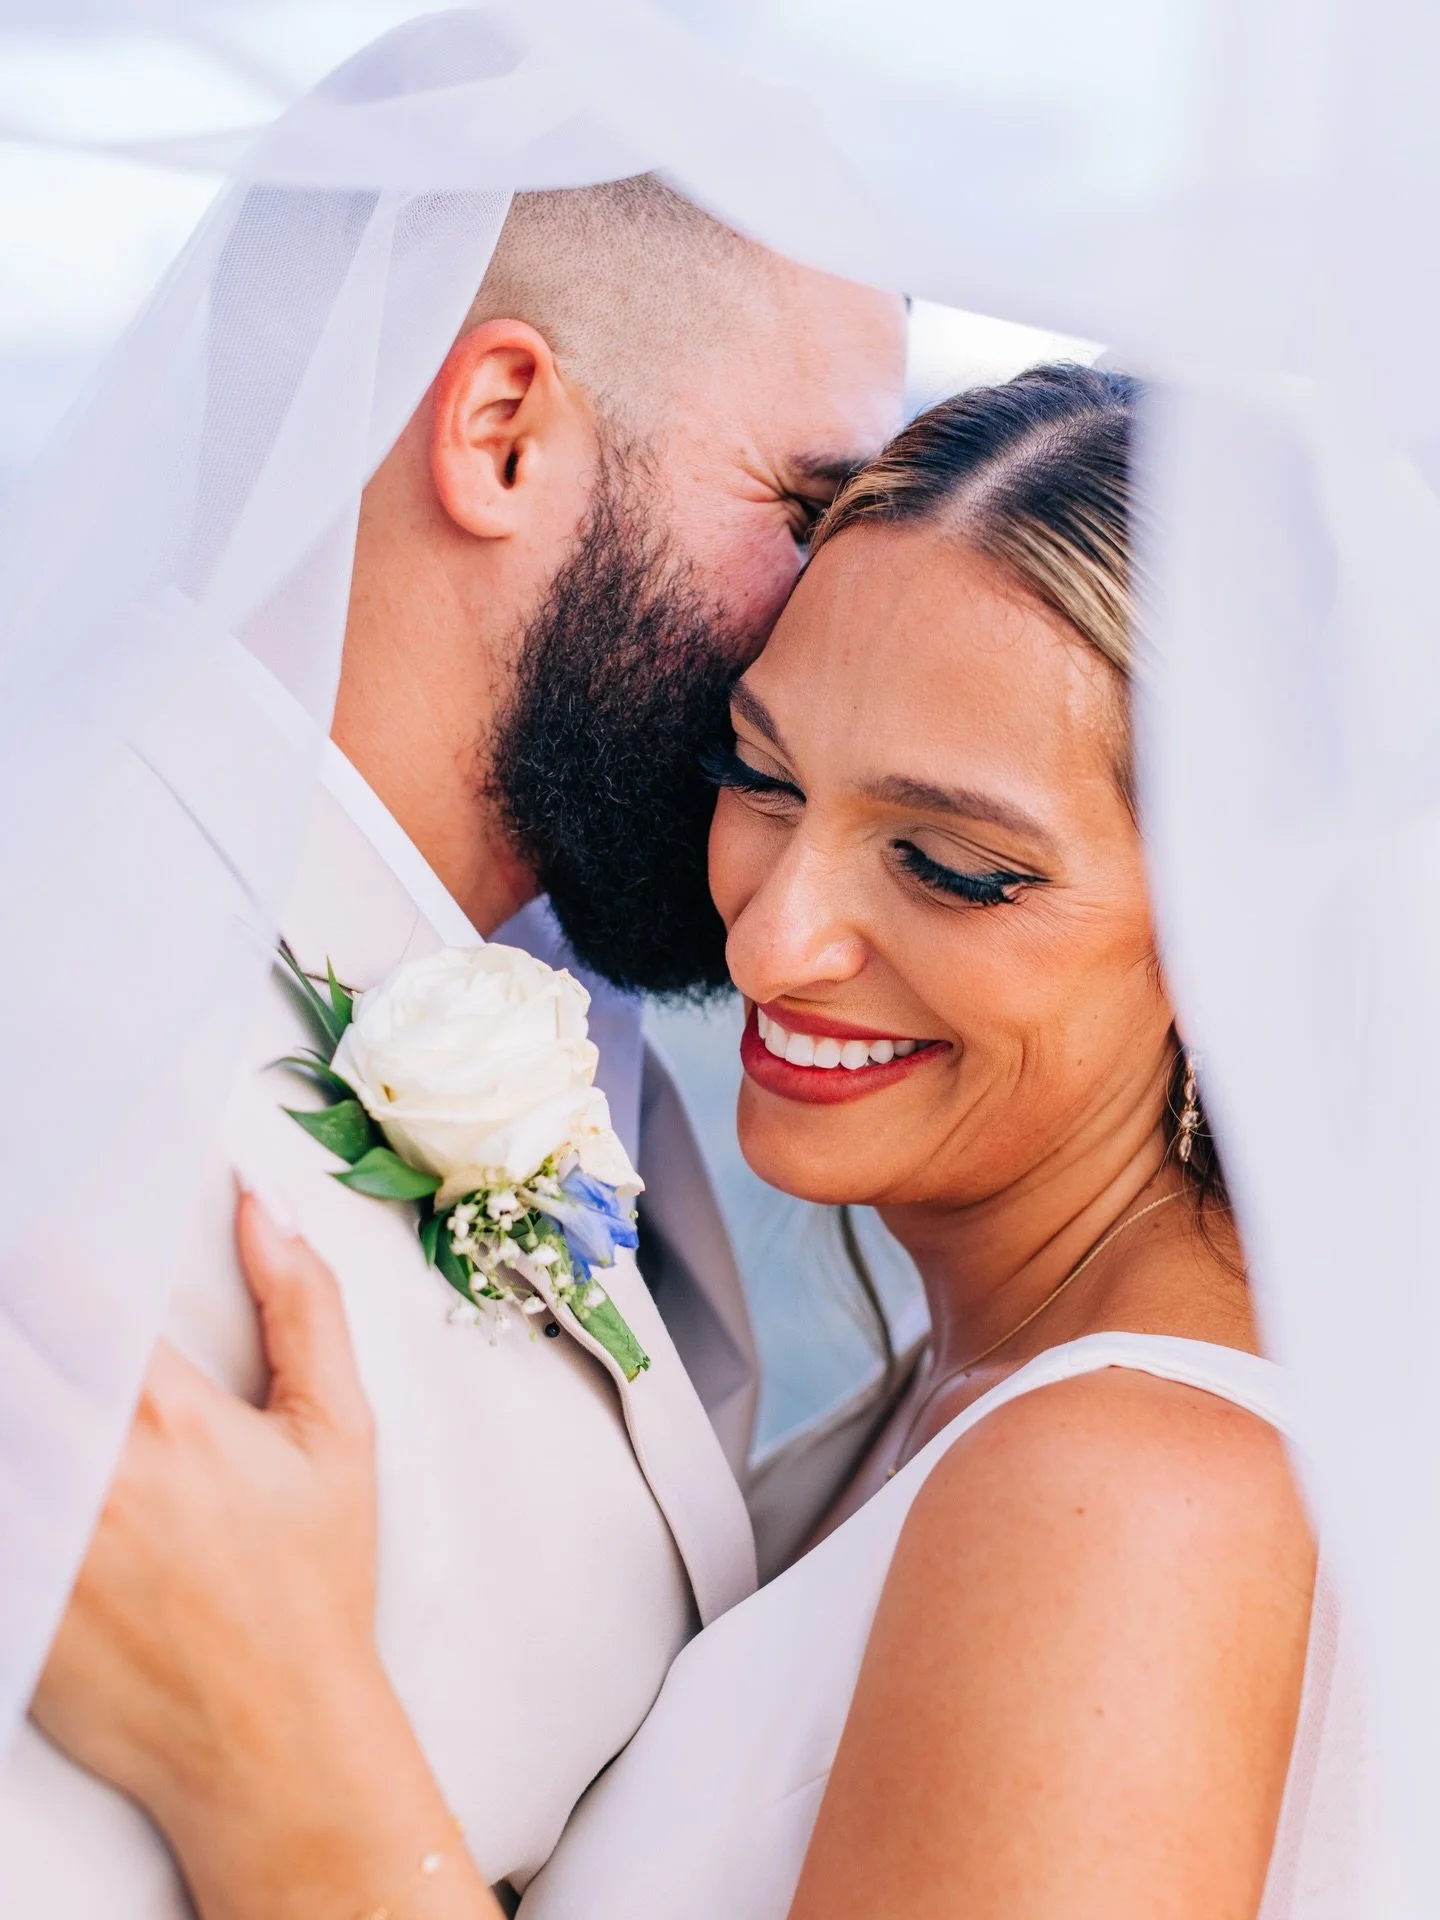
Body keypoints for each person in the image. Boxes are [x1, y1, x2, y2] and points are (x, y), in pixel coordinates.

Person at [34, 366, 1348, 1920]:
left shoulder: (1129, 1502)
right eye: (762, 779)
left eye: (947, 864)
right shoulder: (952, 1406)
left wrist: (276, 1755)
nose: (778, 941)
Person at [0, 175, 904, 1913]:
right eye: (803, 507)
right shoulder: (81, 981)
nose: (841, 619)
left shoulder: (572, 1015)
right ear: (499, 436)